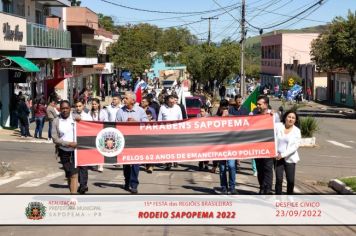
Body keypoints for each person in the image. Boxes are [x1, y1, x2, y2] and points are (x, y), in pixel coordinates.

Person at [116, 91, 148, 194]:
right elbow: (116, 125)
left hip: (136, 140)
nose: (124, 100)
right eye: (124, 98)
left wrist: (135, 122)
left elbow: (146, 124)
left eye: (126, 98)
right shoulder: (120, 111)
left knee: (135, 163)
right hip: (124, 141)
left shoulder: (140, 111)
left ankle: (134, 184)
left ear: (133, 100)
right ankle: (127, 181)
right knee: (126, 164)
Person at [251, 95, 276, 194]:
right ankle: (262, 187)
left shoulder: (272, 115)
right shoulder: (254, 114)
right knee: (260, 169)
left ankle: (268, 189)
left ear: (266, 104)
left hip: (269, 147)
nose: (257, 106)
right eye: (257, 104)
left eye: (259, 104)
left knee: (267, 168)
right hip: (257, 147)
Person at [52, 100, 78, 194]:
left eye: (67, 108)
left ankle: (73, 198)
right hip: (63, 151)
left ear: (70, 109)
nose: (65, 110)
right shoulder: (56, 121)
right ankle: (72, 192)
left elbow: (86, 125)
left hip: (76, 151)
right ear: (60, 109)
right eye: (63, 108)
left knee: (74, 174)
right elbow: (55, 138)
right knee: (68, 174)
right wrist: (69, 144)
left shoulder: (76, 118)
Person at [275, 110, 301, 194]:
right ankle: (278, 199)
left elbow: (295, 146)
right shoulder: (278, 126)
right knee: (279, 179)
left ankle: (289, 197)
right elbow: (269, 124)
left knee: (290, 181)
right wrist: (270, 114)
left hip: (289, 158)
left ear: (295, 120)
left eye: (293, 118)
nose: (291, 119)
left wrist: (283, 155)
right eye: (289, 117)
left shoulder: (297, 131)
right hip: (277, 157)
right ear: (285, 117)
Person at [72, 99, 93, 194]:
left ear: (83, 106)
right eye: (76, 106)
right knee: (76, 165)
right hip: (74, 143)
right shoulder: (71, 116)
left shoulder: (88, 116)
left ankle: (83, 185)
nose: (78, 108)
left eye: (80, 106)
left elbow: (91, 128)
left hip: (84, 143)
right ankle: (81, 182)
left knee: (84, 166)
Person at [216, 100, 237, 194]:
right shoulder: (215, 119)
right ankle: (224, 186)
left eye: (227, 108)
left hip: (231, 147)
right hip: (220, 148)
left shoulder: (233, 118)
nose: (225, 110)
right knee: (222, 168)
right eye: (223, 108)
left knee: (232, 166)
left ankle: (232, 187)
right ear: (220, 108)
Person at [158, 95, 183, 170]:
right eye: (170, 102)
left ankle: (175, 160)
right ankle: (168, 163)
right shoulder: (162, 108)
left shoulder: (178, 108)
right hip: (165, 132)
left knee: (175, 147)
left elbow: (180, 119)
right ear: (167, 101)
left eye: (173, 102)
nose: (172, 103)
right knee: (167, 148)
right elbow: (159, 120)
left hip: (175, 131)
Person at [90, 98, 108, 172]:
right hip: (93, 132)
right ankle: (95, 162)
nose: (94, 105)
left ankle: (100, 165)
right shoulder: (90, 112)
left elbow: (106, 120)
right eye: (93, 104)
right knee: (94, 149)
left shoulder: (103, 111)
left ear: (98, 104)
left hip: (101, 131)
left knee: (101, 148)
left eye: (95, 104)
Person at [197, 105, 210, 171]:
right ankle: (200, 163)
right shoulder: (198, 116)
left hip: (207, 137)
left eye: (202, 111)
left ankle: (206, 165)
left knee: (207, 151)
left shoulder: (209, 117)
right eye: (200, 111)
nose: (200, 113)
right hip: (200, 137)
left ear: (206, 111)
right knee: (200, 151)